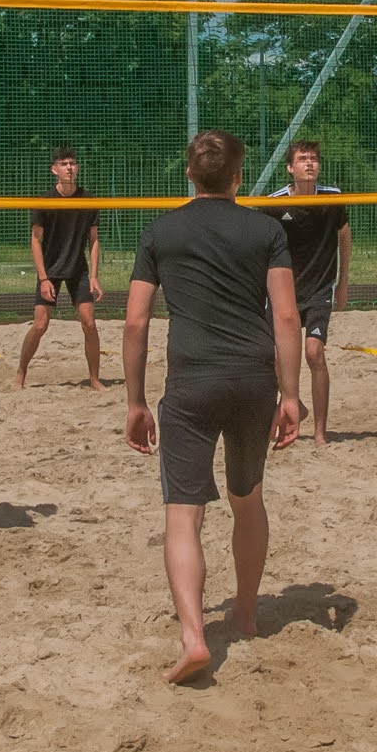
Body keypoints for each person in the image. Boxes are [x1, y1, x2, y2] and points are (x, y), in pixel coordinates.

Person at [123, 130, 303, 685]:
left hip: (192, 381)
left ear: (188, 175)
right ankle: (245, 613)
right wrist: (292, 395)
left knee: (184, 513)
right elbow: (288, 318)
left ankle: (195, 636)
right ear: (239, 177)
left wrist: (133, 400)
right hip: (252, 378)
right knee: (247, 498)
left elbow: (134, 323)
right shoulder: (266, 229)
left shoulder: (161, 231)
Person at [264, 140, 351, 445]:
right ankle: (294, 404)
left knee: (314, 352)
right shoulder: (275, 203)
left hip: (320, 287)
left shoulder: (333, 197)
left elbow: (344, 236)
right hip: (285, 290)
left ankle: (320, 431)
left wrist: (343, 282)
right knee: (275, 359)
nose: (309, 163)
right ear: (290, 168)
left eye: (313, 159)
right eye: (302, 159)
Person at [15, 145, 105, 391]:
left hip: (78, 268)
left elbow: (94, 239)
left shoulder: (88, 199)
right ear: (54, 170)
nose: (69, 168)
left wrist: (95, 276)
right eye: (64, 164)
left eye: (72, 163)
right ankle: (21, 372)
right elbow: (36, 240)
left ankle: (94, 378)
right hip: (51, 269)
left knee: (89, 323)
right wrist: (43, 278)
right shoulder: (44, 201)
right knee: (41, 324)